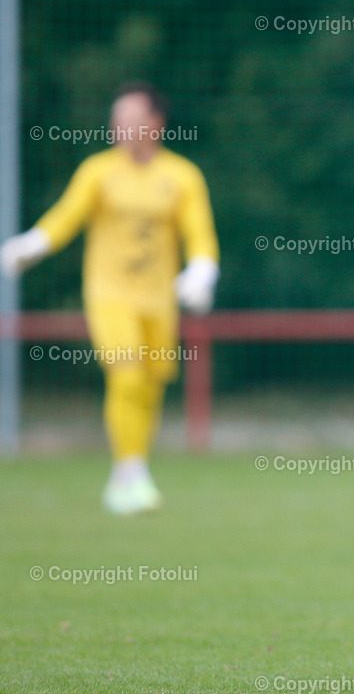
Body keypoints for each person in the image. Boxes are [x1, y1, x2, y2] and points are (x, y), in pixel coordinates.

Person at [1, 81, 220, 515]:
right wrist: (32, 245)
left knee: (151, 384)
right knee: (127, 374)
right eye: (117, 118)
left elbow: (200, 234)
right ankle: (131, 472)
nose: (120, 126)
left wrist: (201, 272)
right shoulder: (98, 171)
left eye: (131, 118)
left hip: (158, 299)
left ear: (155, 124)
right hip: (110, 294)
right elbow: (67, 216)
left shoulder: (182, 176)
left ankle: (128, 474)